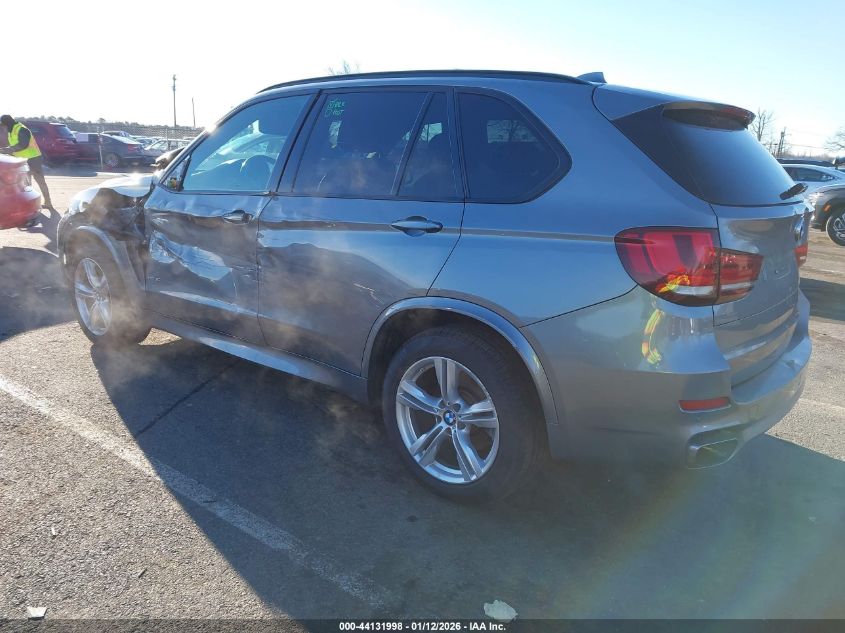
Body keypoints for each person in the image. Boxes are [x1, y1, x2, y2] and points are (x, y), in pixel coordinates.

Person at [0, 114, 54, 212]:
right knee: (26, 184)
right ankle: (30, 205)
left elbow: (22, 145)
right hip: (22, 160)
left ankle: (48, 202)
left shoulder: (21, 129)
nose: (3, 128)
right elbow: (14, 145)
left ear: (7, 123)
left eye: (3, 125)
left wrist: (7, 150)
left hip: (33, 159)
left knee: (40, 181)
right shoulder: (11, 131)